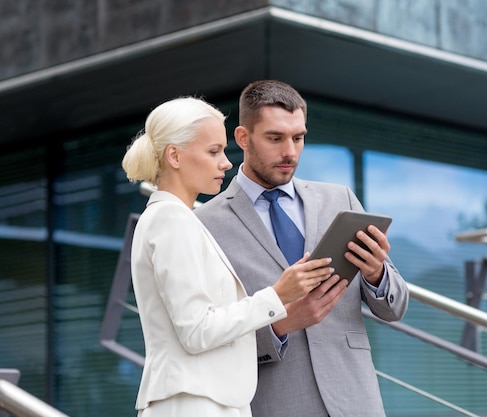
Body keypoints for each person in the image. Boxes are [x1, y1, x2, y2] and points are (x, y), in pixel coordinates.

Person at [195, 81, 409, 417]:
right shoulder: (205, 225)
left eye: (299, 138)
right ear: (243, 138)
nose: (290, 153)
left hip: (356, 401)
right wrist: (279, 325)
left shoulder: (341, 201)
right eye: (275, 138)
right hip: (275, 403)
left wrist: (376, 272)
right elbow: (205, 338)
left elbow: (394, 308)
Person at [121, 96, 336, 417]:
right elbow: (197, 331)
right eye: (213, 151)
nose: (226, 162)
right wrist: (278, 295)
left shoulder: (177, 218)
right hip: (195, 403)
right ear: (175, 155)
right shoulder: (171, 219)